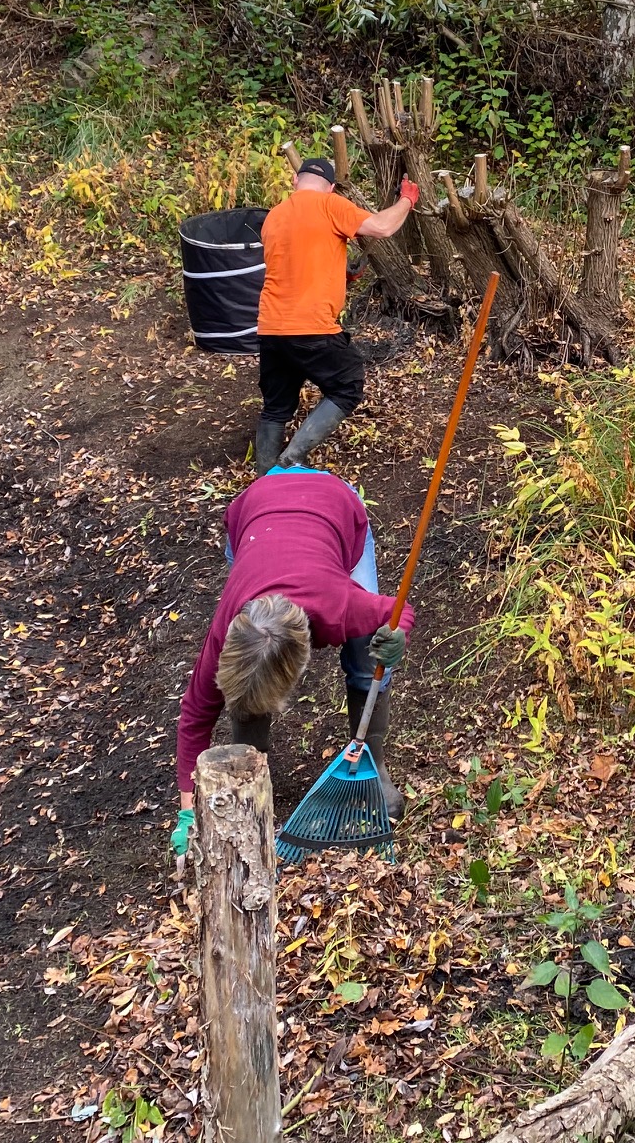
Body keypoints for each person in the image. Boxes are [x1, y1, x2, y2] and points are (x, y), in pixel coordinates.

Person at [171, 466, 413, 862]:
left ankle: (374, 762)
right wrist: (186, 813)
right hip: (255, 510)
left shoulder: (341, 606)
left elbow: (397, 610)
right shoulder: (228, 629)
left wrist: (396, 636)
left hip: (335, 506)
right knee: (249, 691)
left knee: (363, 654)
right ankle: (249, 776)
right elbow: (194, 717)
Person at [254, 156, 418, 473]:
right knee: (347, 386)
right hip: (312, 327)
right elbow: (383, 227)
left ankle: (265, 480)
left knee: (276, 406)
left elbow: (295, 262)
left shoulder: (273, 217)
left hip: (271, 327)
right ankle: (290, 460)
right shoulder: (330, 205)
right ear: (330, 188)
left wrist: (340, 274)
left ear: (295, 182)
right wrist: (406, 201)